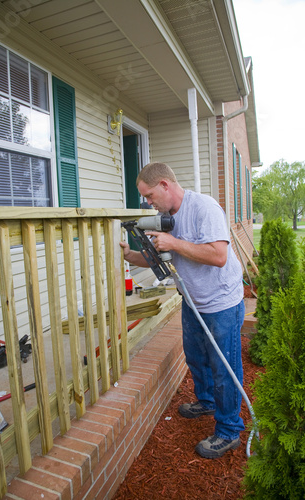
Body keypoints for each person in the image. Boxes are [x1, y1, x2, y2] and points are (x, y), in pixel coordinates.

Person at [120, 162, 245, 459]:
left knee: (223, 369)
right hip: (192, 301)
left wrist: (174, 242)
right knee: (196, 357)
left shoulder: (204, 208)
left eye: (150, 195)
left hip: (222, 302)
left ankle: (229, 430)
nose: (149, 203)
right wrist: (129, 254)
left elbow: (218, 255)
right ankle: (207, 401)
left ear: (165, 185)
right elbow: (158, 259)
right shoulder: (164, 218)